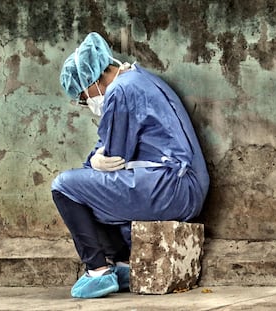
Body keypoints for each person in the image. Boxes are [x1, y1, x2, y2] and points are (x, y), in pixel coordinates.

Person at [52, 32, 209, 299]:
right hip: (186, 185)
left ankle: (98, 271)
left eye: (82, 95)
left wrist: (93, 161)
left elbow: (115, 154)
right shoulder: (142, 78)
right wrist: (95, 161)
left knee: (66, 187)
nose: (84, 102)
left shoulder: (120, 90)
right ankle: (124, 266)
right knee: (96, 185)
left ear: (92, 79)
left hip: (171, 187)